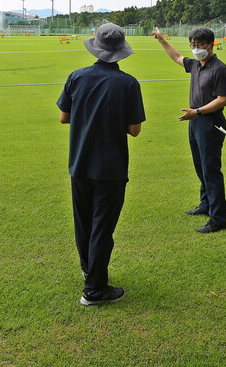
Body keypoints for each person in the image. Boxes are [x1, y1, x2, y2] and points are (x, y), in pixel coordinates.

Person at [57, 23, 146, 306]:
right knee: (102, 228)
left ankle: (90, 272)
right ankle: (94, 289)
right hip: (110, 168)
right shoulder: (128, 83)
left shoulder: (77, 77)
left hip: (80, 164)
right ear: (120, 51)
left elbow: (64, 117)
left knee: (84, 225)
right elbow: (134, 129)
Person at [151, 27, 226, 233]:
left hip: (210, 122)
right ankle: (206, 204)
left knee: (211, 169)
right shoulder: (195, 65)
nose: (196, 49)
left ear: (211, 44)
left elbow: (222, 100)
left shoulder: (219, 69)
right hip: (195, 121)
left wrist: (197, 111)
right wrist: (162, 40)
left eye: (200, 45)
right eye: (193, 45)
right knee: (200, 165)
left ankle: (218, 218)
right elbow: (177, 56)